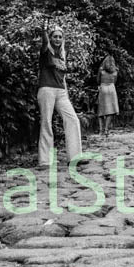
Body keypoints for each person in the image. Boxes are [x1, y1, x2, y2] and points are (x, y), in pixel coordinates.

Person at [36, 20, 82, 168]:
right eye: (54, 36)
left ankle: (74, 157)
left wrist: (66, 93)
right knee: (46, 122)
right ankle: (45, 160)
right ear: (50, 38)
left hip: (61, 91)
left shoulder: (62, 54)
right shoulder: (46, 52)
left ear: (62, 39)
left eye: (59, 37)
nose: (57, 39)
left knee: (73, 119)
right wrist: (44, 31)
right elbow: (44, 43)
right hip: (46, 89)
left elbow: (63, 77)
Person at [96, 54, 119, 136]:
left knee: (101, 110)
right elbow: (115, 81)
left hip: (103, 88)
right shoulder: (116, 70)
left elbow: (98, 80)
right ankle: (106, 130)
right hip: (112, 89)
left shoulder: (101, 70)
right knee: (110, 111)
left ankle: (101, 130)